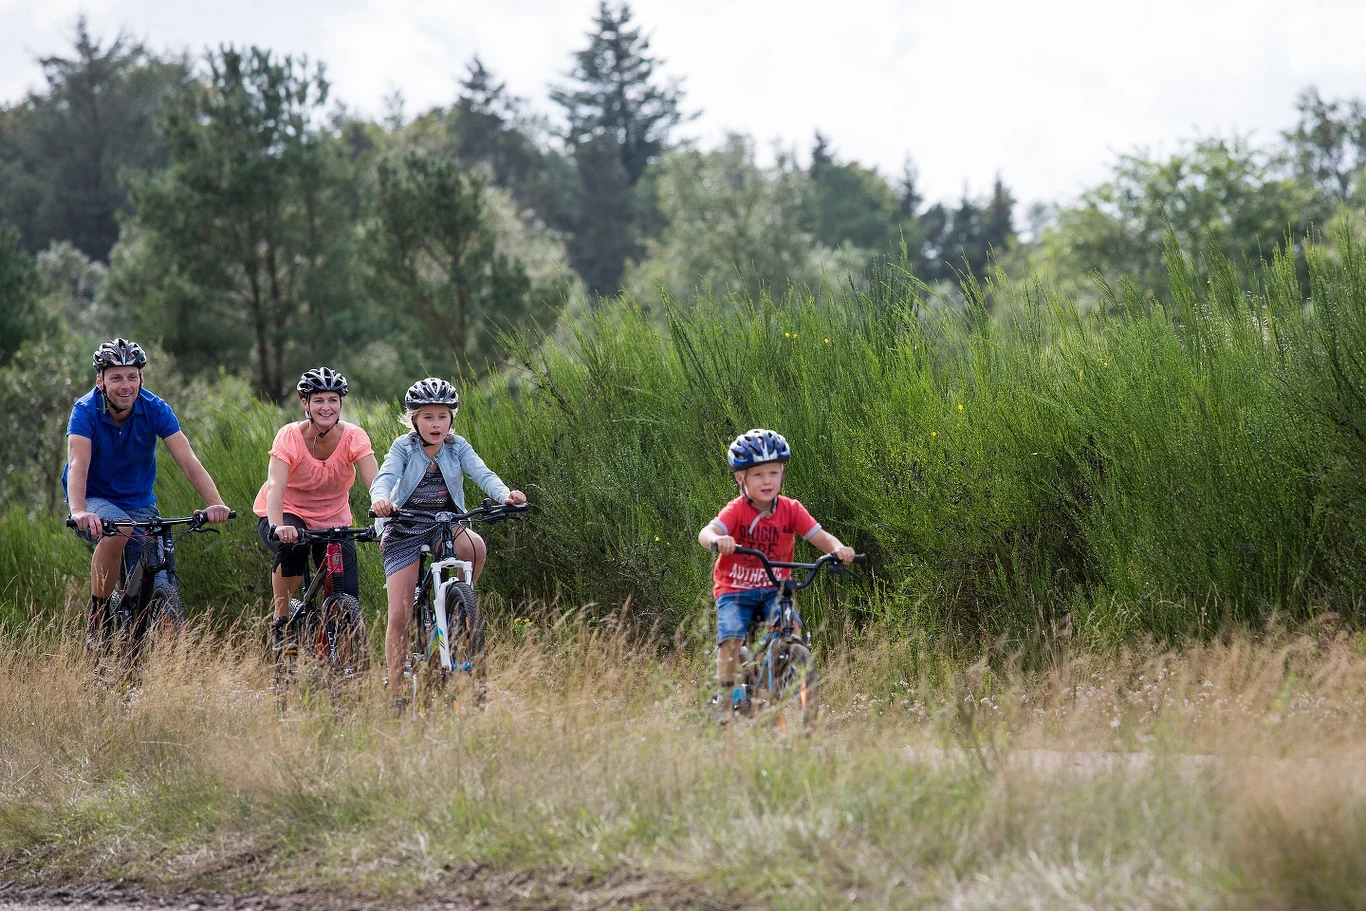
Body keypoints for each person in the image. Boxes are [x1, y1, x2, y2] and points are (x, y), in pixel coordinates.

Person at [65, 338, 233, 648]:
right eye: (116, 377)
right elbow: (77, 463)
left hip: (140, 501)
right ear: (100, 380)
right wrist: (78, 510)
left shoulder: (155, 408)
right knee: (120, 530)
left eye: (132, 376)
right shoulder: (85, 410)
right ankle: (99, 616)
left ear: (141, 378)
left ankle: (149, 648)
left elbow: (189, 462)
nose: (125, 385)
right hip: (93, 498)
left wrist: (216, 503)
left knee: (159, 574)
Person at [370, 377, 526, 710]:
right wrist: (381, 499)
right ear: (414, 419)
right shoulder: (403, 447)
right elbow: (385, 476)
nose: (436, 424)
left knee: (476, 547)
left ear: (451, 418)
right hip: (405, 528)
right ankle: (396, 690)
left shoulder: (458, 446)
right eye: (428, 417)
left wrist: (506, 495)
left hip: (444, 523)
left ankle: (457, 609)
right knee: (399, 613)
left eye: (442, 416)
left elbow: (482, 473)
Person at [697, 428, 854, 720]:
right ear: (740, 478)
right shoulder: (737, 511)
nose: (767, 480)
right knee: (731, 638)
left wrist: (839, 549)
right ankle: (725, 699)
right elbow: (707, 532)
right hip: (735, 589)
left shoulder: (791, 510)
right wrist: (718, 541)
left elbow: (821, 537)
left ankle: (782, 680)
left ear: (782, 474)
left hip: (774, 588)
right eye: (757, 474)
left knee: (791, 629)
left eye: (774, 472)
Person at [252, 367, 379, 648]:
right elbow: (276, 486)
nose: (326, 407)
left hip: (333, 520)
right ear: (305, 403)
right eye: (318, 400)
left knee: (347, 590)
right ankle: (282, 621)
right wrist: (277, 526)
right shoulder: (289, 436)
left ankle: (331, 655)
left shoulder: (354, 437)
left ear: (341, 403)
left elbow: (376, 483)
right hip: (286, 513)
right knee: (294, 549)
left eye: (332, 400)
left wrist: (386, 512)